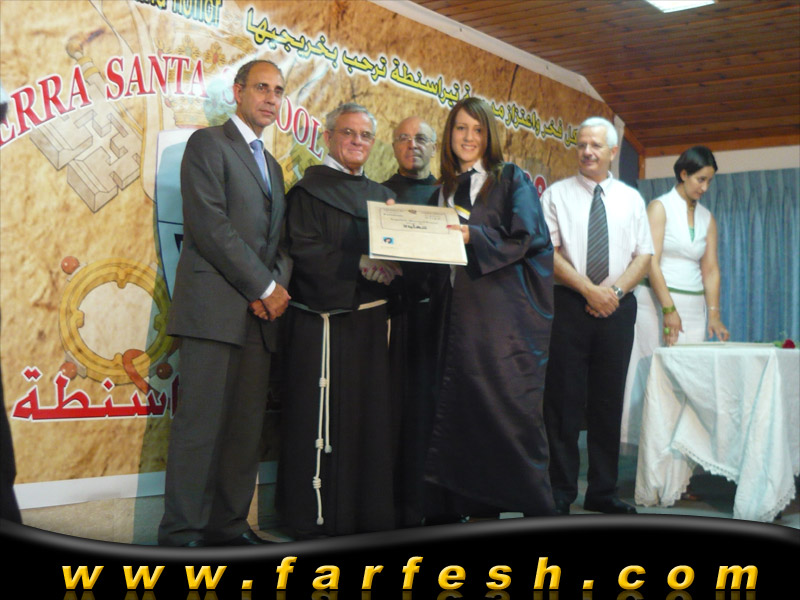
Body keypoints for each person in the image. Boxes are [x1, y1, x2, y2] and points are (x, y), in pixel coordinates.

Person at [158, 59, 291, 547]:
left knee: (243, 433)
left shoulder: (273, 167)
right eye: (262, 87)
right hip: (213, 313)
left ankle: (229, 527)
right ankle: (183, 535)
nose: (271, 98)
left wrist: (275, 289)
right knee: (199, 431)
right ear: (237, 92)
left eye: (278, 91)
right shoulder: (208, 144)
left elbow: (280, 243)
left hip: (258, 321)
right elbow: (211, 226)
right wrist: (265, 288)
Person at [423, 97, 557, 520]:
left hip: (500, 325)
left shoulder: (510, 179)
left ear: (489, 136)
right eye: (461, 128)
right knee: (463, 416)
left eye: (477, 130)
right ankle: (470, 510)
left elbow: (529, 238)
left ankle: (538, 512)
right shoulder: (442, 190)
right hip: (454, 319)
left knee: (507, 415)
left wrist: (472, 235)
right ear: (450, 134)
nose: (468, 137)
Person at [277, 102, 399, 538]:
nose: (356, 141)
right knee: (319, 424)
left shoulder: (383, 196)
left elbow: (397, 256)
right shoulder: (306, 192)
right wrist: (362, 265)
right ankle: (316, 519)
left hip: (369, 328)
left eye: (365, 135)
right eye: (348, 132)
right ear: (328, 137)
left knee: (368, 422)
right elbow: (302, 249)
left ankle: (365, 518)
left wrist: (397, 266)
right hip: (323, 326)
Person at [541, 116, 653, 516]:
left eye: (595, 145)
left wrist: (613, 294)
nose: (587, 152)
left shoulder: (631, 199)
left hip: (618, 308)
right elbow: (547, 252)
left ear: (612, 152)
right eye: (582, 144)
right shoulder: (555, 195)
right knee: (563, 403)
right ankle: (560, 491)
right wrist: (590, 291)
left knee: (608, 401)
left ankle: (603, 492)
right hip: (569, 305)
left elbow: (644, 255)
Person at [621, 146, 729, 446]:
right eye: (700, 179)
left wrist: (715, 315)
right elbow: (650, 261)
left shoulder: (707, 218)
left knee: (688, 379)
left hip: (693, 309)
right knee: (653, 376)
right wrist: (669, 309)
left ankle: (683, 454)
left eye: (709, 181)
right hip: (655, 305)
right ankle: (649, 453)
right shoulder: (660, 207)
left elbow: (711, 270)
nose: (704, 187)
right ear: (683, 174)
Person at [382, 116, 439, 527]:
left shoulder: (448, 195)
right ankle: (393, 505)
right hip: (390, 318)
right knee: (393, 412)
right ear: (393, 146)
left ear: (434, 146)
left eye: (421, 138)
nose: (412, 144)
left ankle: (433, 503)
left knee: (431, 412)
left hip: (438, 319)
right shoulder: (379, 193)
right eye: (403, 138)